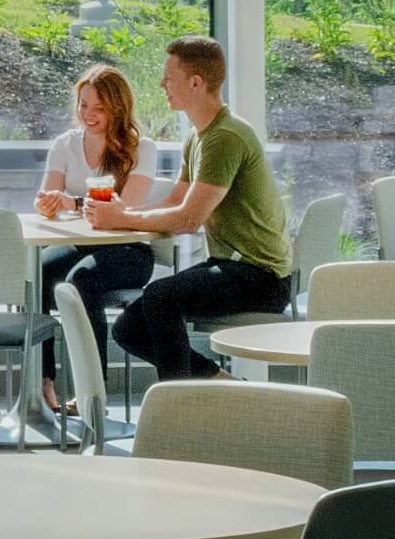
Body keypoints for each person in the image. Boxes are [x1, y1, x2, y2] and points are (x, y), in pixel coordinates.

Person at [85, 36, 293, 380]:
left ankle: (179, 407)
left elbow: (187, 219)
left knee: (160, 298)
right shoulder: (199, 137)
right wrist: (122, 217)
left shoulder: (226, 137)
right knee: (127, 328)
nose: (161, 84)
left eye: (169, 77)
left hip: (261, 277)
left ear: (195, 83)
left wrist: (122, 218)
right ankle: (220, 384)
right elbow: (173, 203)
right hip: (230, 267)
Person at [32, 64, 157, 413]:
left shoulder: (140, 148)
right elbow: (46, 196)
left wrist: (71, 202)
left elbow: (128, 206)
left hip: (128, 250)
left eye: (98, 107)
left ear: (118, 108)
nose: (89, 114)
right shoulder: (64, 145)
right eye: (84, 105)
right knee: (37, 274)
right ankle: (43, 382)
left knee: (82, 279)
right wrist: (46, 202)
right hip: (78, 245)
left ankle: (93, 393)